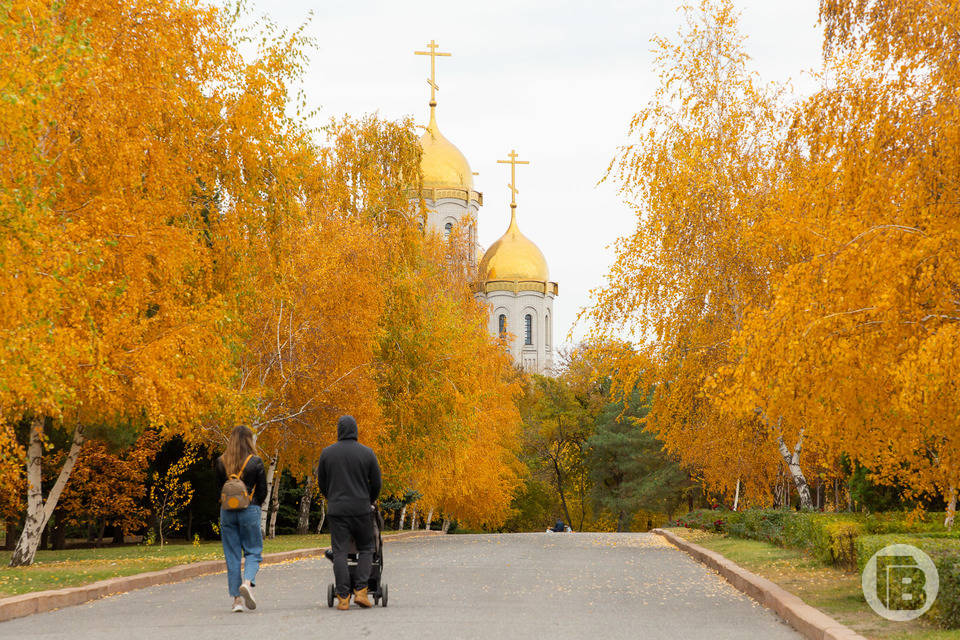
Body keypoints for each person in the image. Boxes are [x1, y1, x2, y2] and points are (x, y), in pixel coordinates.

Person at [316, 415, 382, 611]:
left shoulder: (327, 453)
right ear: (355, 430)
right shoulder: (367, 453)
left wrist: (332, 498)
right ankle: (361, 591)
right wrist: (369, 500)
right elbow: (376, 483)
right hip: (361, 509)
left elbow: (322, 482)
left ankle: (343, 596)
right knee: (366, 548)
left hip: (337, 510)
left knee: (340, 552)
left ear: (339, 430)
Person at [215, 425, 267, 612]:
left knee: (232, 555)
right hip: (249, 509)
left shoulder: (221, 462)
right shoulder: (256, 462)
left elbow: (220, 489)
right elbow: (262, 491)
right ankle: (247, 582)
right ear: (248, 440)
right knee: (253, 551)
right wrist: (253, 505)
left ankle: (236, 601)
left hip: (227, 512)